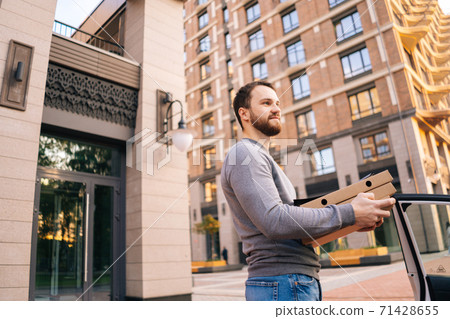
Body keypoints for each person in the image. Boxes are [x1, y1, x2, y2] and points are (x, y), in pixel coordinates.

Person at [220, 81, 395, 301]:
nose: (276, 109)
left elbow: (292, 230)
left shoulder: (261, 157)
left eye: (277, 103)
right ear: (244, 114)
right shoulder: (245, 153)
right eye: (266, 103)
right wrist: (349, 213)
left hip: (290, 282)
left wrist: (352, 221)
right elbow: (274, 220)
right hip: (283, 282)